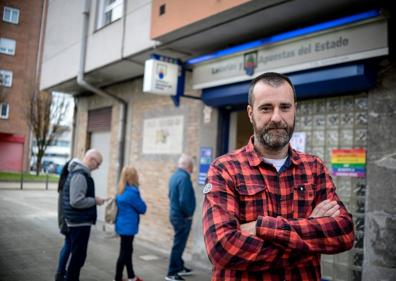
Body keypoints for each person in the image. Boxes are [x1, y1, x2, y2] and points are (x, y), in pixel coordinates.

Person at [202, 72, 355, 281]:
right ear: (250, 113)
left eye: (285, 107)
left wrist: (261, 227)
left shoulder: (314, 168)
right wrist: (310, 232)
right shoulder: (224, 169)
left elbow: (343, 233)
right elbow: (222, 248)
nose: (276, 117)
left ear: (295, 109)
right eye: (266, 108)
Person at [63, 148, 105, 281]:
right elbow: (76, 201)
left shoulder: (80, 173)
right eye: (98, 164)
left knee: (78, 257)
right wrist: (95, 200)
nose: (98, 168)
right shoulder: (80, 175)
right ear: (92, 160)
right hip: (79, 223)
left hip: (78, 222)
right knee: (78, 258)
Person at [165, 154, 196, 281]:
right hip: (182, 217)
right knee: (178, 245)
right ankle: (171, 273)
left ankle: (179, 267)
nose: (192, 171)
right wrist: (189, 214)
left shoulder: (174, 176)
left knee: (180, 243)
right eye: (192, 168)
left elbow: (170, 195)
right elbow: (184, 200)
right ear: (189, 167)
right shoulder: (184, 178)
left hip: (175, 214)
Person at [114, 165, 147, 281]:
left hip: (121, 225)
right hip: (129, 227)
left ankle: (131, 276)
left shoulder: (120, 190)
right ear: (133, 177)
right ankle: (117, 278)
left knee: (127, 250)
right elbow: (143, 209)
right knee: (124, 253)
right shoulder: (132, 193)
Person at [55, 160, 71, 281]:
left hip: (63, 220)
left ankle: (61, 272)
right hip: (66, 221)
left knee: (67, 245)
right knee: (68, 246)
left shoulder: (63, 182)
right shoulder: (67, 183)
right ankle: (60, 273)